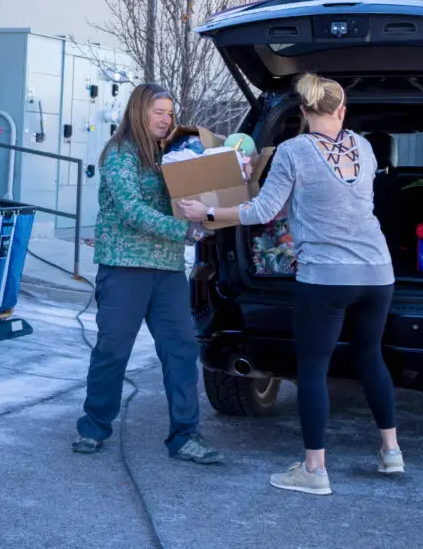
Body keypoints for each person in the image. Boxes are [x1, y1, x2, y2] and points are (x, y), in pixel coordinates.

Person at [179, 72, 402, 494]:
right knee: (371, 357)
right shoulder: (366, 147)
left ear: (302, 113)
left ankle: (314, 471)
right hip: (377, 271)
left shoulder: (294, 151)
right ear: (342, 111)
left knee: (313, 369)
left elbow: (263, 210)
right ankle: (391, 451)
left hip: (326, 276)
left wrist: (206, 215)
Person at [72, 82, 223, 465]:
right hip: (125, 267)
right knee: (113, 350)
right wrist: (184, 230)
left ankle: (185, 436)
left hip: (167, 268)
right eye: (159, 111)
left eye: (170, 113)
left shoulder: (170, 155)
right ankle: (93, 426)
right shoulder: (120, 155)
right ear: (139, 111)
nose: (166, 119)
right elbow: (130, 209)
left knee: (181, 350)